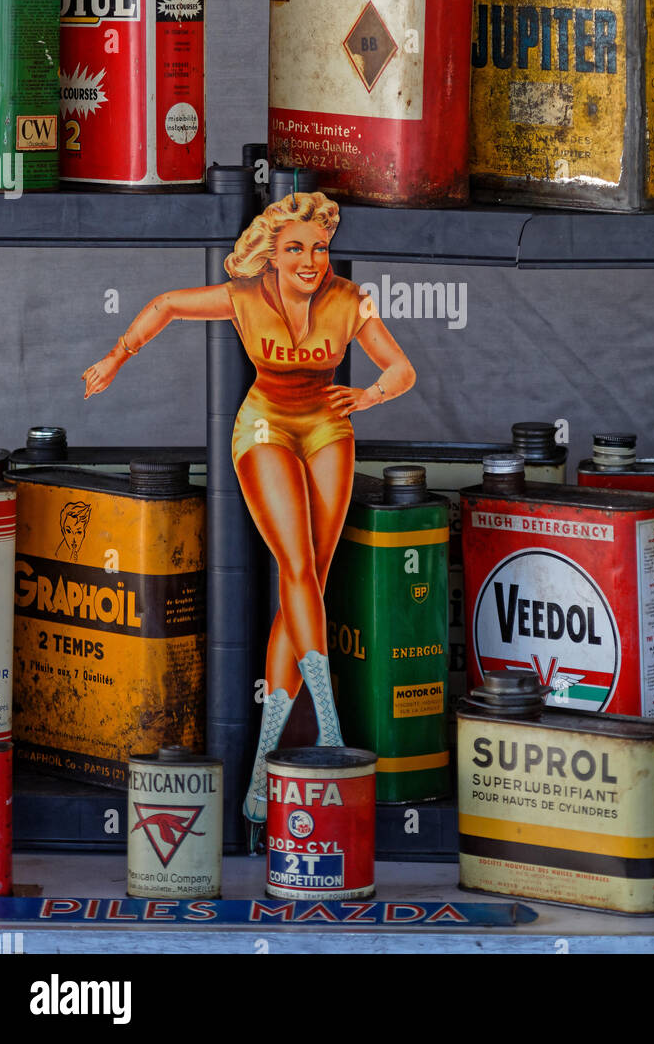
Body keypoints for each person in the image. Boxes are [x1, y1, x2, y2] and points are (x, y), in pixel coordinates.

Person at [82, 190, 416, 850]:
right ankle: (328, 728)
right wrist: (118, 355)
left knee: (309, 585)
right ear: (271, 252)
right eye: (296, 248)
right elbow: (169, 305)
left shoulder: (350, 301)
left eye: (319, 248)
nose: (311, 260)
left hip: (328, 425)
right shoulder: (245, 296)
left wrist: (371, 394)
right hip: (264, 424)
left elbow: (401, 366)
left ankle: (266, 766)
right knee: (295, 566)